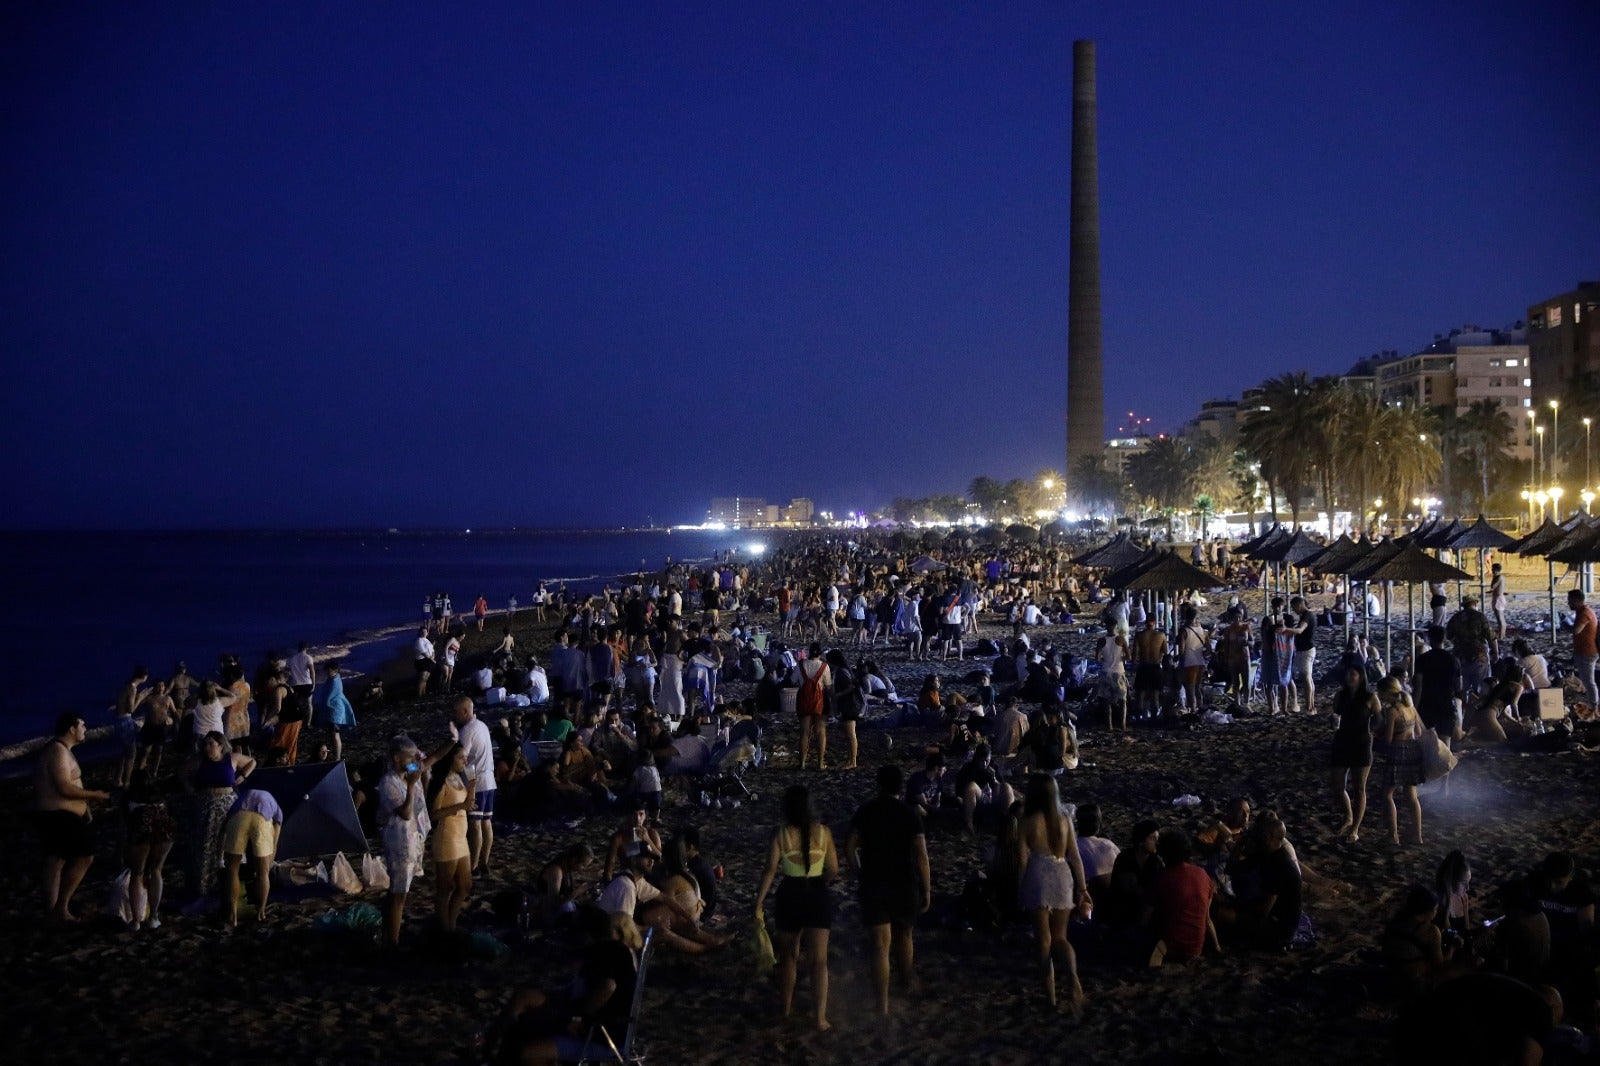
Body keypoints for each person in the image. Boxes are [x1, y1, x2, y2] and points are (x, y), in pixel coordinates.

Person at [846, 765, 931, 1018]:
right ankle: (906, 982)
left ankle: (881, 1004)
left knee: (880, 946)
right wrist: (927, 889)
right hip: (904, 883)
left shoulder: (867, 811)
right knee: (905, 936)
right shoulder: (910, 814)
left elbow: (849, 846)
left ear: (879, 785)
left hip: (874, 882)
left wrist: (858, 871)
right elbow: (922, 856)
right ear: (900, 787)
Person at [753, 785, 839, 1030]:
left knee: (788, 957)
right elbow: (833, 869)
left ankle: (786, 1008)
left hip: (789, 894)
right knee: (819, 961)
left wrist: (759, 901)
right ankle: (820, 1018)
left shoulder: (781, 834)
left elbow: (770, 869)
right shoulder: (823, 833)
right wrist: (820, 881)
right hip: (817, 895)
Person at [1017, 774, 1089, 1010]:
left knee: (1043, 942)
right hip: (1061, 874)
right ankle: (1073, 978)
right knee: (1061, 937)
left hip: (1038, 875)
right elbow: (1075, 858)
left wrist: (1020, 888)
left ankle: (1050, 997)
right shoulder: (1065, 819)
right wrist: (1083, 888)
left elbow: (1022, 861)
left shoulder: (1027, 820)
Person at [34, 712, 111, 921]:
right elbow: (64, 787)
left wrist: (85, 809)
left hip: (62, 815)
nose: (85, 728)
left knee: (56, 859)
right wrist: (95, 795)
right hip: (58, 815)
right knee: (85, 856)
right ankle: (61, 907)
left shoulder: (63, 750)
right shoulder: (57, 751)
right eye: (82, 725)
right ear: (71, 728)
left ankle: (53, 909)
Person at [377, 735, 430, 948]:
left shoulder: (406, 777)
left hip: (411, 840)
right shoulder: (389, 783)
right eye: (409, 757)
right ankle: (393, 941)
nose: (413, 761)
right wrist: (411, 786)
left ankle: (389, 934)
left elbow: (428, 763)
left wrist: (422, 780)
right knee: (399, 894)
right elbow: (406, 813)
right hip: (398, 842)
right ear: (397, 758)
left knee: (398, 893)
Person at [1149, 829, 1220, 966]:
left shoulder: (1163, 878)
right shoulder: (1202, 874)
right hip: (1195, 949)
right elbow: (1207, 919)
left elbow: (1144, 918)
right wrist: (1217, 947)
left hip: (1169, 946)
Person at [220, 779, 283, 928]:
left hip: (238, 817)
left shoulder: (239, 799)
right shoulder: (276, 807)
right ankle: (261, 911)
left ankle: (233, 914)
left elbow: (223, 830)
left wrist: (221, 858)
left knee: (232, 870)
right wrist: (270, 859)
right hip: (262, 819)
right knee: (263, 873)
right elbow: (275, 840)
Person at [449, 696, 497, 877]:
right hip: (490, 779)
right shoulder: (482, 726)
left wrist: (466, 782)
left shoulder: (467, 730)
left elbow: (463, 757)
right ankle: (484, 862)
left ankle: (474, 866)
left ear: (464, 711)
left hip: (477, 780)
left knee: (475, 824)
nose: (455, 716)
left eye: (456, 712)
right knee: (486, 823)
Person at [1330, 664, 1378, 843]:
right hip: (1342, 741)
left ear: (1361, 676)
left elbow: (1379, 719)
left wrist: (1370, 731)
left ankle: (1355, 828)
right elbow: (1335, 716)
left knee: (1359, 788)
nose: (1349, 677)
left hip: (1361, 743)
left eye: (1353, 673)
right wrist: (1333, 720)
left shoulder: (1370, 697)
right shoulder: (1340, 696)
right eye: (1347, 673)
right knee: (1337, 785)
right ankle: (1348, 816)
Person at [428, 743, 474, 931]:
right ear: (450, 759)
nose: (465, 760)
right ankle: (444, 928)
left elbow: (467, 803)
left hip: (461, 836)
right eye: (460, 757)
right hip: (446, 837)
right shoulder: (442, 781)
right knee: (445, 888)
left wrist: (472, 787)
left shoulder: (458, 777)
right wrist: (460, 807)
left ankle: (451, 923)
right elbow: (434, 814)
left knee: (465, 885)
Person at [1376, 678, 1426, 847]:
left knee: (1388, 794)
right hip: (1413, 751)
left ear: (1386, 692)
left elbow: (1389, 739)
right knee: (1412, 797)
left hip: (1398, 752)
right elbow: (1418, 731)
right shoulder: (1409, 706)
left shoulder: (1392, 711)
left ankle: (1393, 835)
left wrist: (1377, 737)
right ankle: (1418, 835)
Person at [1413, 625, 1463, 742]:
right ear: (1444, 638)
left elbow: (1418, 687)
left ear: (1430, 638)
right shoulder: (1453, 660)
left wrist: (1414, 708)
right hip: (1446, 704)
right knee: (1445, 745)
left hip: (1427, 704)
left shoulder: (1422, 659)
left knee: (1426, 743)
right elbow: (1459, 686)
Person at [791, 643, 831, 771]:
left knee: (804, 733)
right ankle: (820, 763)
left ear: (808, 652)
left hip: (804, 701)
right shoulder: (824, 666)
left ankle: (802, 763)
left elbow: (793, 681)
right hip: (819, 702)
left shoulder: (801, 665)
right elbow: (828, 685)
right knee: (820, 733)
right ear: (820, 653)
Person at [113, 666, 151, 788]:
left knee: (124, 753)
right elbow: (131, 709)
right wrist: (141, 697)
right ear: (145, 677)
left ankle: (117, 779)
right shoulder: (132, 688)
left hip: (119, 721)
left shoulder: (126, 686)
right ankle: (127, 783)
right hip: (125, 722)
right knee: (131, 754)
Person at [825, 649, 863, 770]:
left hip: (849, 706)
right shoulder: (844, 670)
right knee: (849, 734)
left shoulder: (842, 672)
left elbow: (850, 687)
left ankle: (853, 761)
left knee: (851, 734)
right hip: (848, 705)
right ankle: (850, 759)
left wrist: (837, 695)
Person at [316, 661, 357, 762]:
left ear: (333, 670)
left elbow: (329, 697)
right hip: (334, 710)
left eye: (328, 670)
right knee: (333, 734)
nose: (326, 672)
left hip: (334, 711)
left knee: (335, 734)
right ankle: (335, 755)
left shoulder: (334, 681)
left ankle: (337, 757)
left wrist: (320, 708)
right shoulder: (334, 678)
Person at [137, 678, 178, 776]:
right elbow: (137, 704)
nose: (160, 688)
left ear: (164, 687)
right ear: (155, 687)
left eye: (162, 685)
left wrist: (178, 722)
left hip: (161, 728)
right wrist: (142, 695)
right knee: (146, 751)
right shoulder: (150, 698)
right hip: (149, 727)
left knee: (159, 750)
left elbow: (174, 712)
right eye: (158, 685)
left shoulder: (168, 699)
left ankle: (154, 772)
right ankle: (140, 770)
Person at [1130, 615, 1167, 721]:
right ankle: (1154, 718)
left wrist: (1134, 665)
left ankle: (1139, 718)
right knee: (1155, 695)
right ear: (1155, 622)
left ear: (1146, 622)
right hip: (1155, 667)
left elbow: (1135, 653)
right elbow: (1165, 652)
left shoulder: (1140, 635)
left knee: (1140, 694)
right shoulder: (1161, 635)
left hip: (1143, 666)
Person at [1569, 589, 1598, 710]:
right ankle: (1593, 703)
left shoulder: (1584, 613)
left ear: (1577, 600)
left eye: (1570, 601)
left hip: (1587, 652)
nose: (1568, 603)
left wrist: (1567, 625)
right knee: (1588, 680)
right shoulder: (1586, 611)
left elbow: (1577, 630)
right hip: (1587, 650)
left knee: (1589, 682)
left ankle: (1594, 706)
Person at [1289, 595, 1317, 712]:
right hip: (1305, 649)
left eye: (1294, 607)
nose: (1294, 610)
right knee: (1308, 678)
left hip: (1306, 649)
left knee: (1306, 678)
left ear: (1299, 605)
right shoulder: (1307, 615)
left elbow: (1300, 630)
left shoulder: (1307, 616)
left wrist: (1286, 630)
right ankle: (1311, 705)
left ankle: (1309, 706)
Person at [413, 627, 436, 699]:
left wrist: (432, 657)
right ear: (419, 632)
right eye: (422, 631)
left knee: (426, 679)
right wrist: (432, 660)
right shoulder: (418, 641)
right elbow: (424, 653)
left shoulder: (427, 640)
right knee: (421, 679)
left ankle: (424, 694)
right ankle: (419, 695)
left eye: (425, 631)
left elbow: (432, 650)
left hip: (429, 661)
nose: (424, 633)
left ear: (427, 632)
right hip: (421, 661)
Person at [1489, 563, 1509, 641]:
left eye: (1493, 569)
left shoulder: (1499, 577)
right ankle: (1502, 635)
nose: (1492, 571)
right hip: (1498, 598)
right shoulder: (1500, 577)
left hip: (1498, 599)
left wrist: (1493, 578)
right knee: (1500, 618)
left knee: (1500, 618)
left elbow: (1492, 587)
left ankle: (1501, 636)